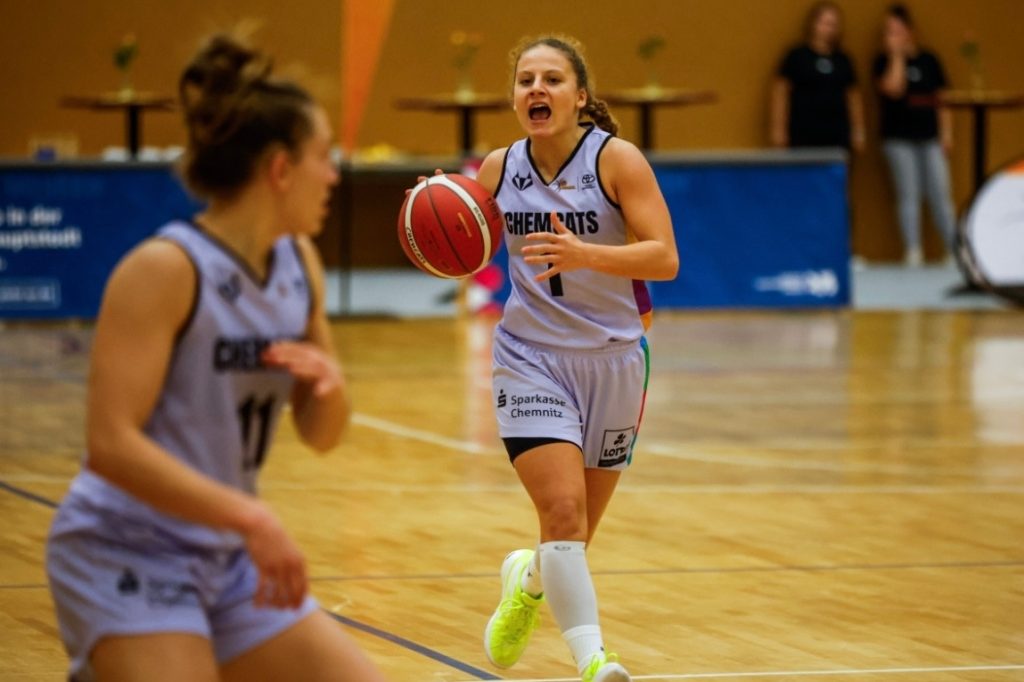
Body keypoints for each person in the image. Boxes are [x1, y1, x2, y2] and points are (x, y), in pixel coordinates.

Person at [44, 33, 387, 682]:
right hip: (128, 550)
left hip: (224, 558)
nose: (334, 175)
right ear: (280, 169)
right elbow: (109, 444)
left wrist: (329, 387)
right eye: (323, 157)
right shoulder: (164, 269)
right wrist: (251, 515)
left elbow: (323, 433)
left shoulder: (298, 263)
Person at [475, 34, 678, 682]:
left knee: (575, 533)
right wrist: (434, 218)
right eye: (526, 79)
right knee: (561, 513)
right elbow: (464, 249)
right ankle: (596, 663)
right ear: (515, 98)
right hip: (529, 357)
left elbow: (665, 258)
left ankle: (527, 582)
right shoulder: (497, 170)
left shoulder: (617, 162)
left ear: (580, 97)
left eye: (552, 79)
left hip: (615, 363)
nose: (537, 88)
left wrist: (587, 255)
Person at [874, 3, 957, 266]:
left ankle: (955, 250)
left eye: (898, 30)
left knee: (940, 195)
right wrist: (897, 56)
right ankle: (913, 251)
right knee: (908, 195)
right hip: (898, 139)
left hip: (930, 138)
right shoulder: (881, 62)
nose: (893, 35)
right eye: (889, 31)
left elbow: (942, 99)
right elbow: (894, 89)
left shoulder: (929, 60)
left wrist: (946, 134)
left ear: (910, 31)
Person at [771, 1, 866, 152]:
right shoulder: (796, 56)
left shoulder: (843, 60)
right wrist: (779, 129)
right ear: (813, 23)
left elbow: (853, 96)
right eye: (824, 22)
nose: (828, 28)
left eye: (833, 24)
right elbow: (781, 92)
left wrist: (858, 131)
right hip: (803, 133)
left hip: (837, 134)